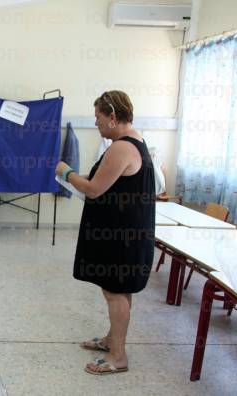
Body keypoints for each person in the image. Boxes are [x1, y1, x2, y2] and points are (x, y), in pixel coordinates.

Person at [55, 91, 155, 375]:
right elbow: (101, 181)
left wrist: (65, 172)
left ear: (112, 116)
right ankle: (112, 339)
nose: (96, 123)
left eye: (98, 117)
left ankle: (118, 356)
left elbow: (94, 188)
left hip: (122, 236)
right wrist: (75, 175)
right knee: (118, 290)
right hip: (124, 232)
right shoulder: (133, 142)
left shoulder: (122, 148)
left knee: (115, 292)